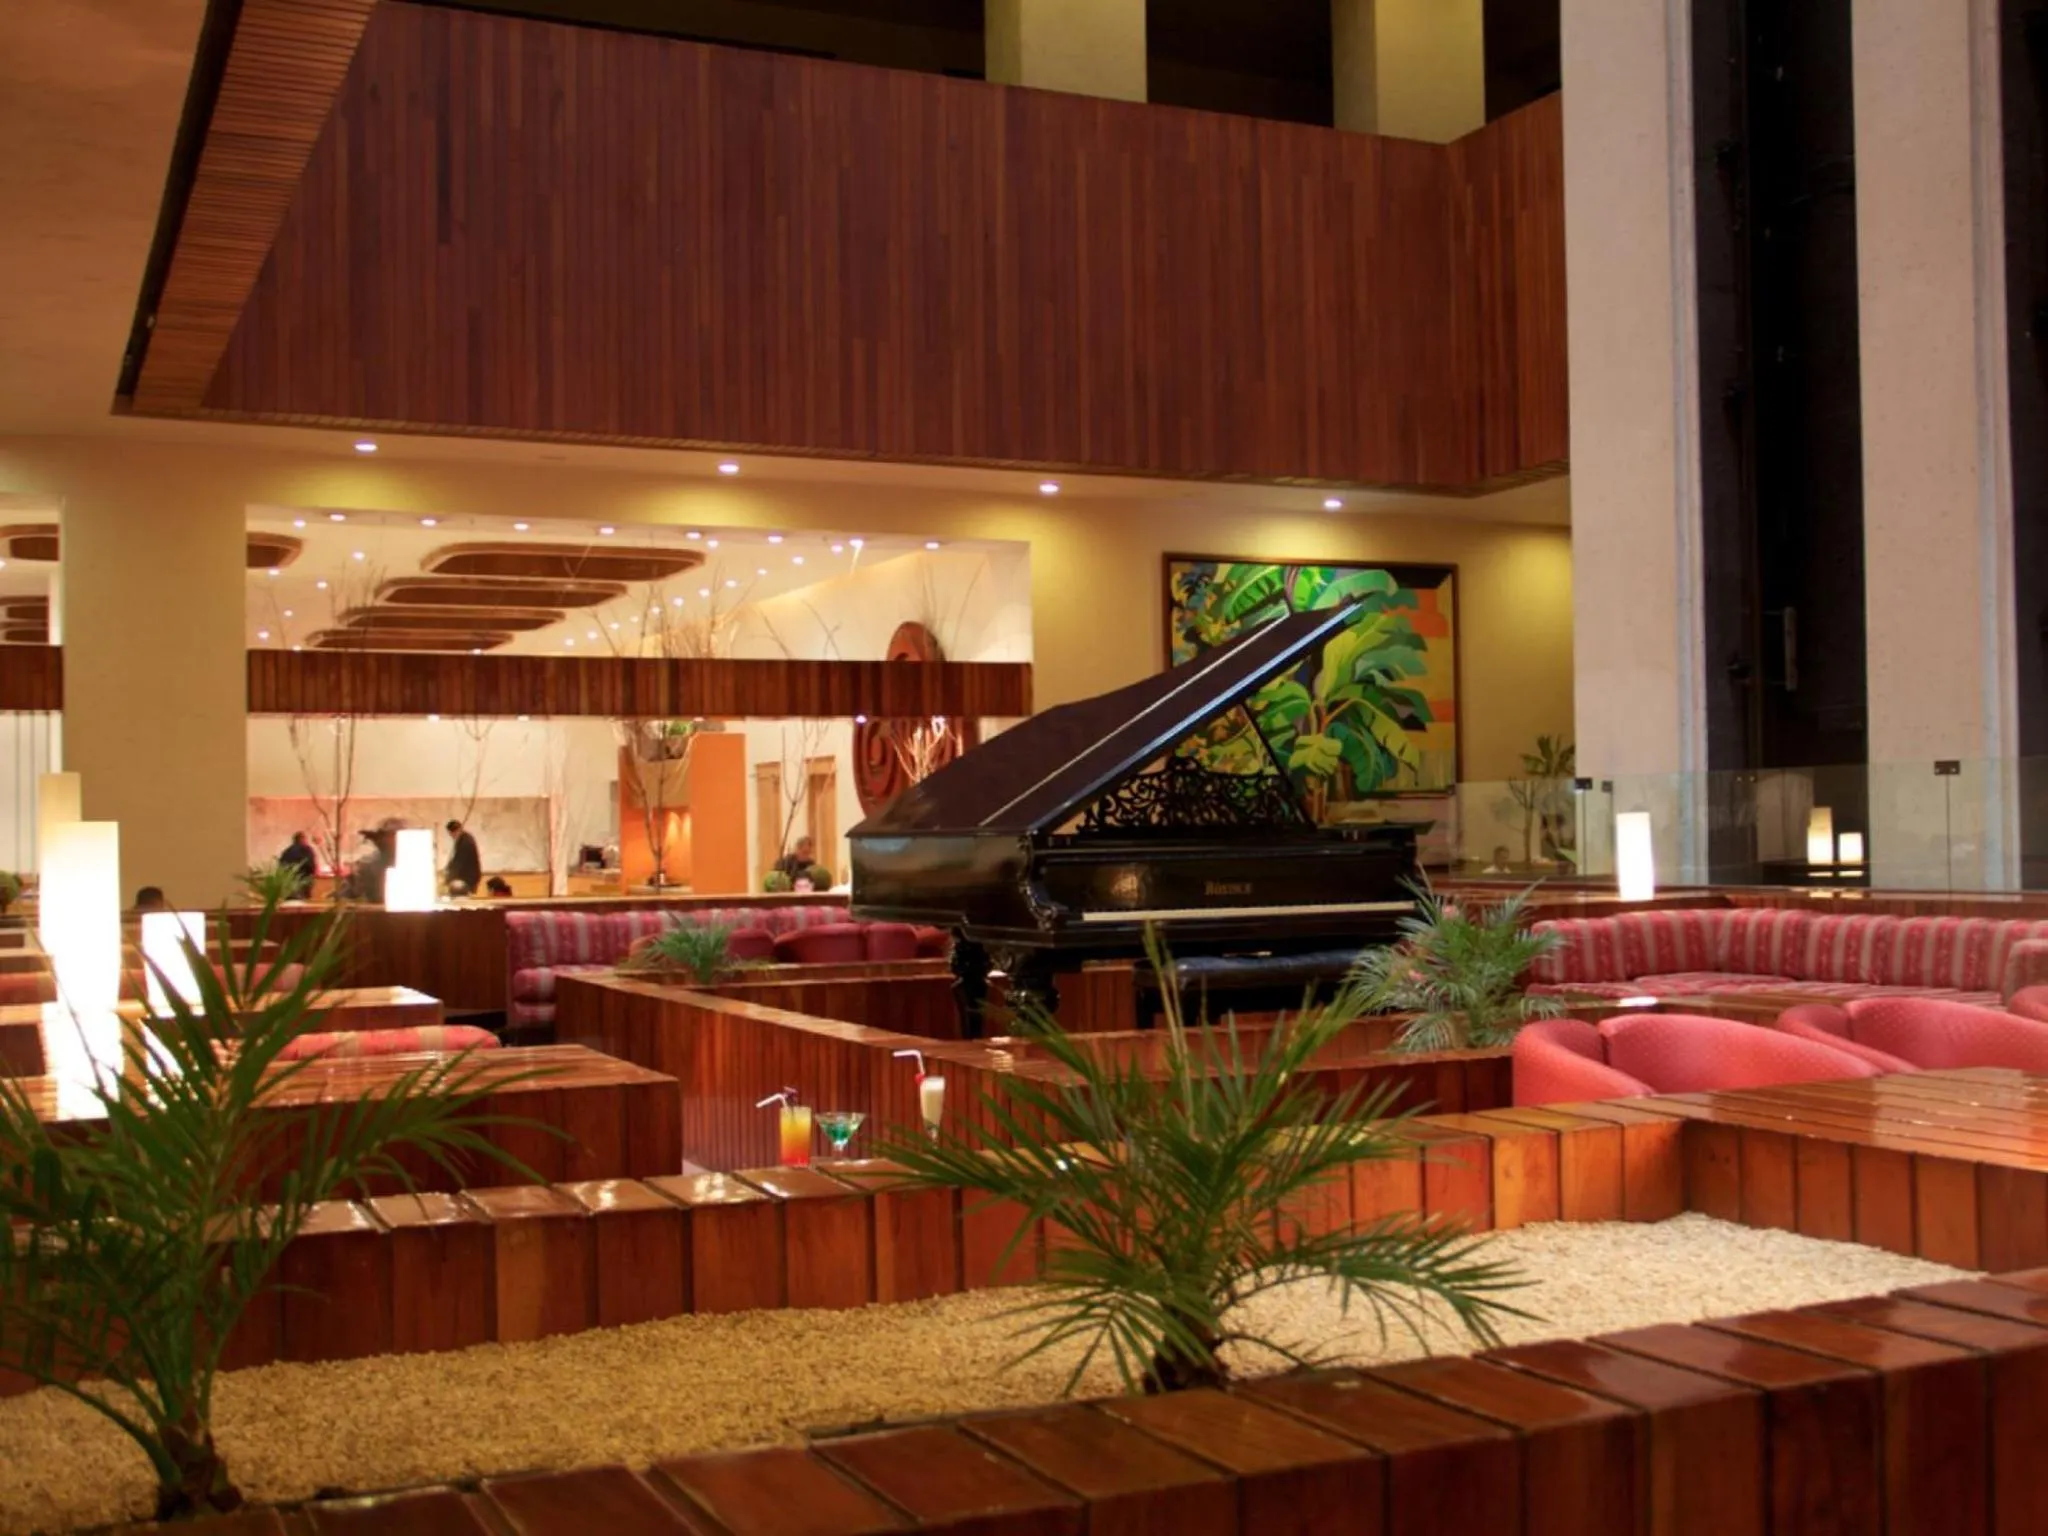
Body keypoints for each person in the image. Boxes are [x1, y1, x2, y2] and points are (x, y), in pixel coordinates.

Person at [444, 820, 482, 895]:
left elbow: (459, 861)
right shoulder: (465, 838)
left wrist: (448, 878)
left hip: (467, 878)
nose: (452, 837)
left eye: (451, 834)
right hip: (469, 877)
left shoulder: (465, 842)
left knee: (463, 899)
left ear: (455, 831)